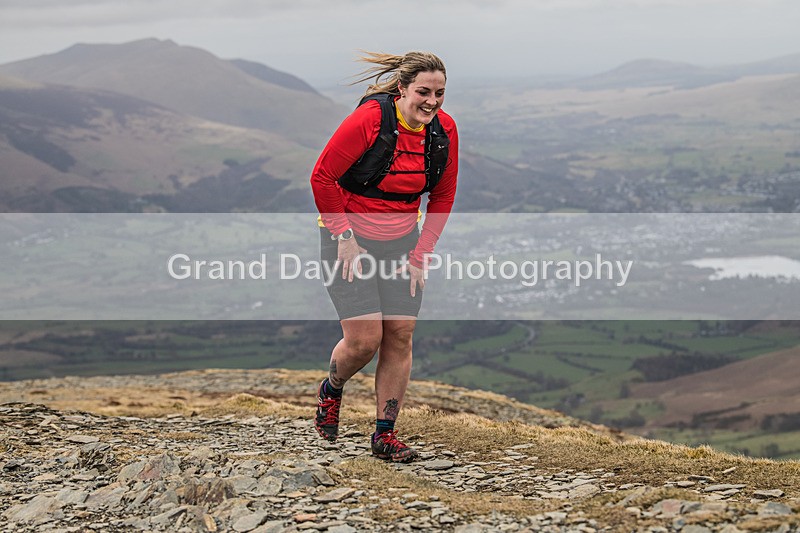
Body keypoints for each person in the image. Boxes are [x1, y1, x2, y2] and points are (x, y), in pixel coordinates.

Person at [310, 51, 458, 463]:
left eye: (440, 93)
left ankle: (385, 435)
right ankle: (331, 390)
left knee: (400, 334)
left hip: (402, 242)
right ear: (403, 89)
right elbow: (322, 177)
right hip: (349, 239)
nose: (432, 101)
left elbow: (443, 195)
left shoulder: (444, 130)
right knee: (363, 342)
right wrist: (343, 236)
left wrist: (421, 253)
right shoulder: (370, 120)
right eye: (423, 92)